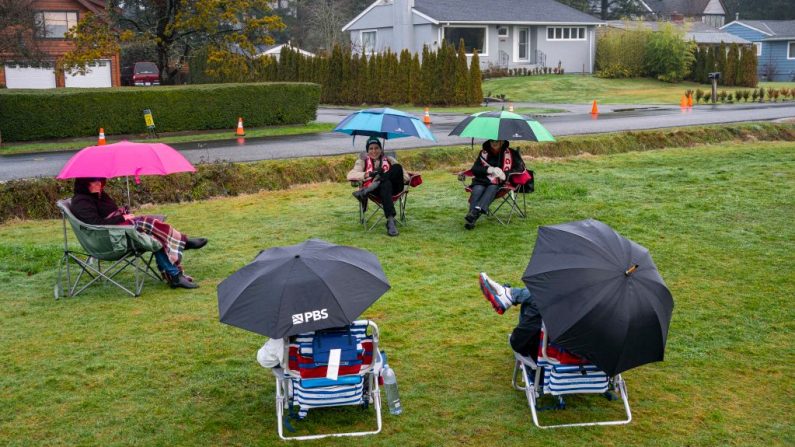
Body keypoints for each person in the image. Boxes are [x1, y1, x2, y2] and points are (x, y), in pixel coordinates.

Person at [70, 177, 207, 289]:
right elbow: (96, 224)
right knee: (147, 226)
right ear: (84, 184)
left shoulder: (98, 196)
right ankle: (182, 242)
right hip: (110, 240)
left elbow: (110, 212)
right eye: (94, 181)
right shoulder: (81, 202)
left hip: (119, 232)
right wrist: (121, 218)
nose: (99, 183)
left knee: (154, 236)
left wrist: (122, 214)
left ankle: (175, 276)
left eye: (100, 180)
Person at [346, 136, 410, 237]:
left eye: (376, 148)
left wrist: (385, 175)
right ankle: (390, 222)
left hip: (395, 188)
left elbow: (406, 177)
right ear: (367, 151)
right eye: (371, 148)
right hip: (377, 191)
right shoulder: (362, 161)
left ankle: (370, 188)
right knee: (385, 184)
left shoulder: (389, 159)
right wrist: (369, 174)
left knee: (397, 167)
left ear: (381, 149)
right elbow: (350, 175)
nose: (374, 151)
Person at [464, 139, 526, 230]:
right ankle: (472, 217)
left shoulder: (511, 153)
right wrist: (489, 170)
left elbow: (520, 168)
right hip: (482, 180)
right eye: (492, 141)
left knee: (492, 188)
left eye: (497, 141)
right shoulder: (483, 153)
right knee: (477, 190)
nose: (494, 143)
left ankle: (473, 215)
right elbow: (475, 169)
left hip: (500, 183)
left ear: (502, 142)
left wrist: (505, 174)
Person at [478, 272, 541, 359]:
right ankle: (509, 295)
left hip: (535, 347)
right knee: (546, 292)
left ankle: (509, 294)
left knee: (542, 297)